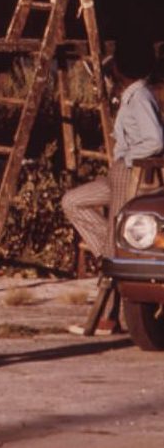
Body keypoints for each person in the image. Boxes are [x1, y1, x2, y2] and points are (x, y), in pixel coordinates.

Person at [62, 40, 164, 328]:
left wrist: (130, 157)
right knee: (73, 201)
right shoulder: (132, 94)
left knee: (115, 237)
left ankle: (106, 316)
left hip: (129, 173)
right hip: (118, 171)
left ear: (121, 68)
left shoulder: (140, 96)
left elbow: (155, 140)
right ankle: (107, 255)